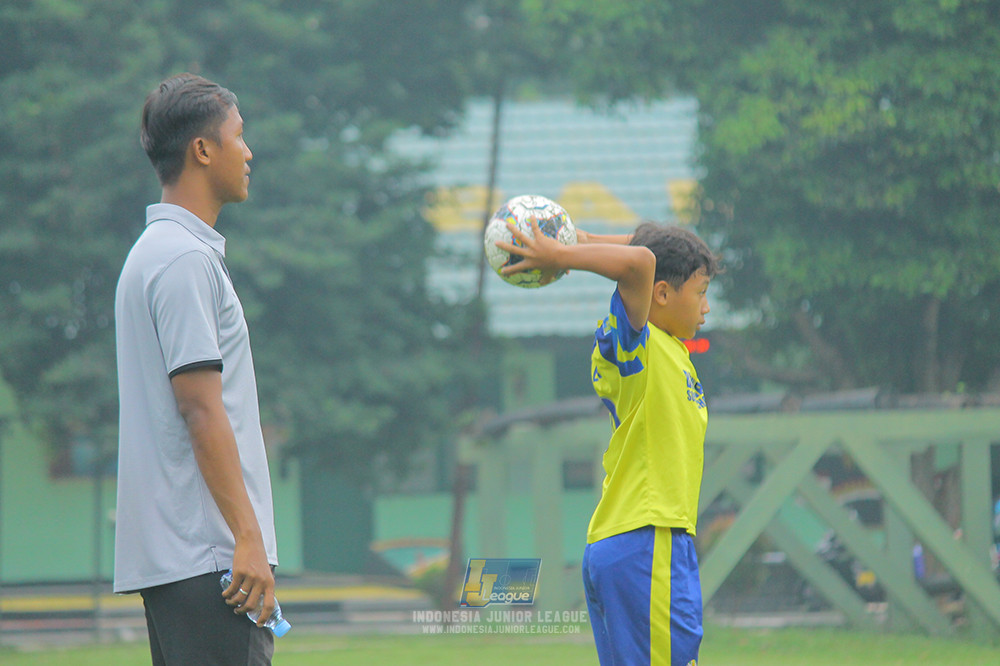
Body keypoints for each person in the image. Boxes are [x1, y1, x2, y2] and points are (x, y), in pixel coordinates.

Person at [496, 219, 719, 666]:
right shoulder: (638, 343)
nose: (707, 308)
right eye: (700, 293)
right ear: (661, 294)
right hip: (647, 540)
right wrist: (562, 257)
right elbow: (641, 261)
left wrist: (580, 240)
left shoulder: (666, 343)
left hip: (633, 541)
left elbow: (650, 254)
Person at [115, 73, 279, 665]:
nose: (248, 151)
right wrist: (248, 538)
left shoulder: (154, 253)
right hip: (210, 557)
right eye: (239, 135)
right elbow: (200, 409)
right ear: (202, 150)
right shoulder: (184, 260)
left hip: (184, 559)